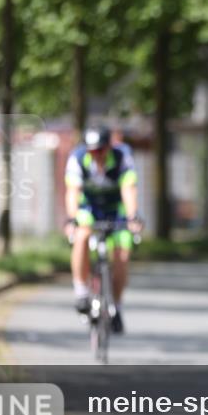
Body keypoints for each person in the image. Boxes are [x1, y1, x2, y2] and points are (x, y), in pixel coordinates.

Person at [63, 126, 143, 334]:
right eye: (92, 151)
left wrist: (133, 216)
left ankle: (116, 306)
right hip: (89, 209)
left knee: (122, 256)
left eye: (100, 150)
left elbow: (128, 189)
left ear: (109, 147)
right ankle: (81, 292)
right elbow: (73, 191)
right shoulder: (78, 158)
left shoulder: (122, 157)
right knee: (82, 236)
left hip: (116, 210)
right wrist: (72, 219)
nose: (96, 155)